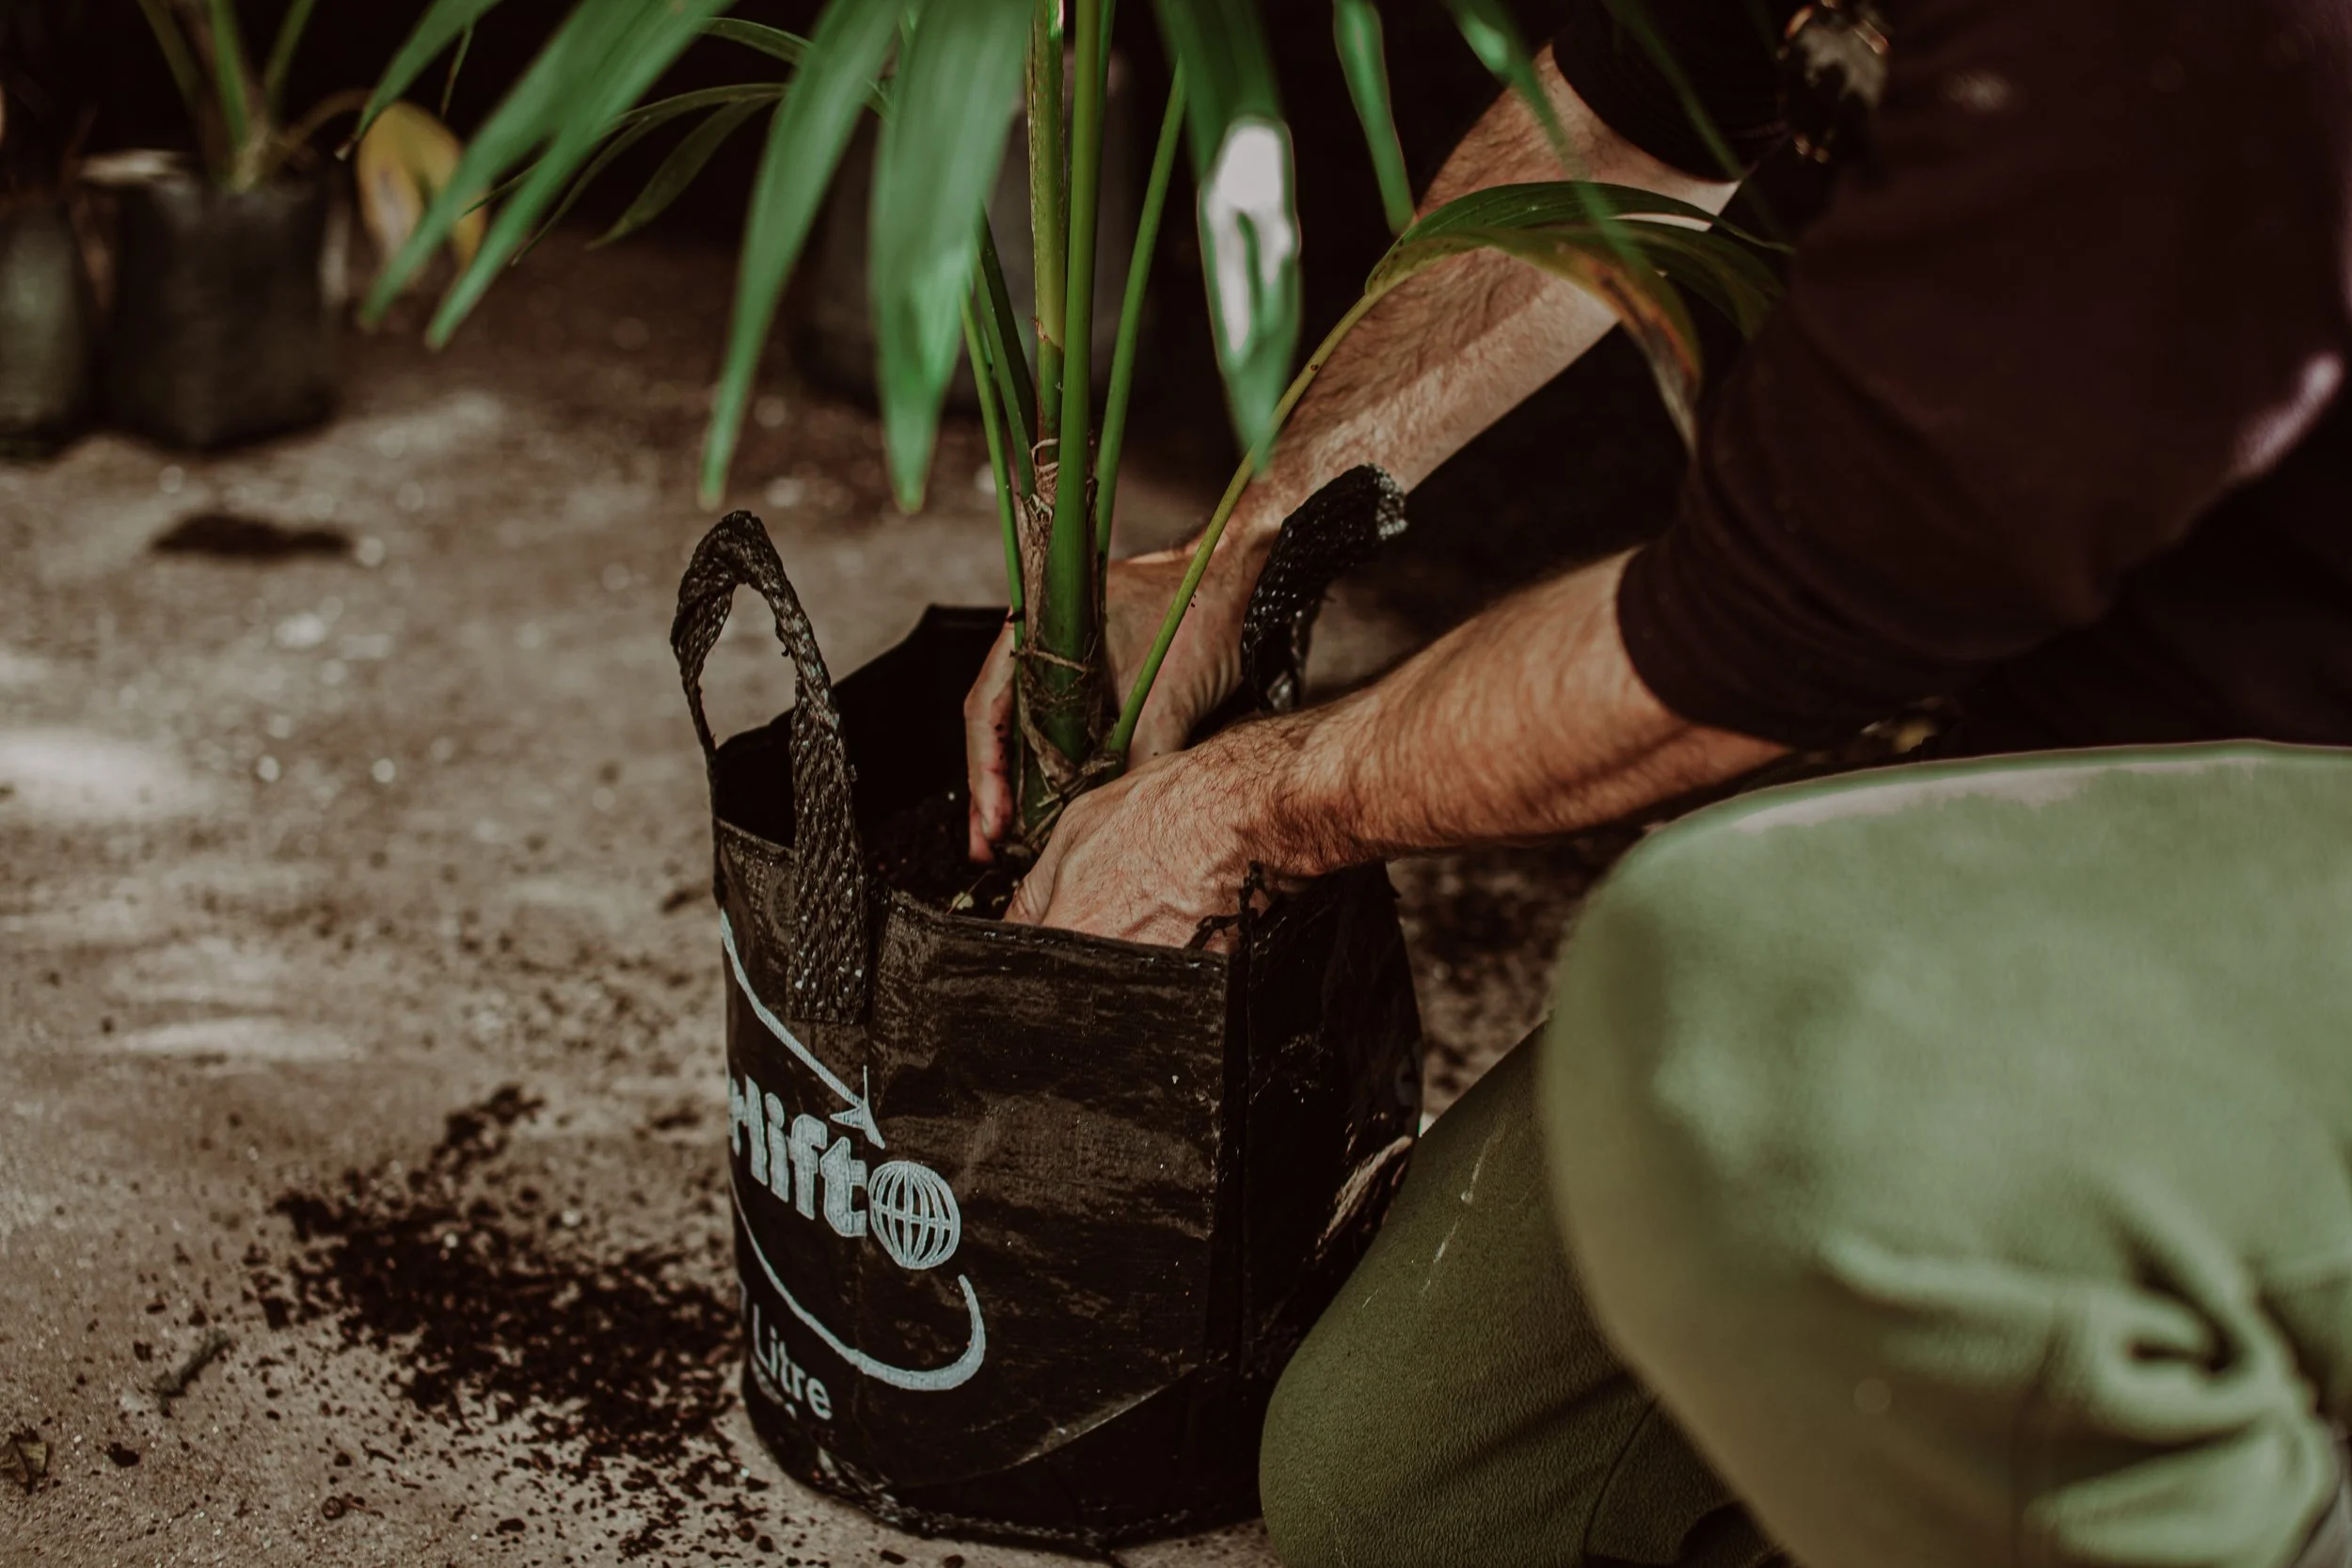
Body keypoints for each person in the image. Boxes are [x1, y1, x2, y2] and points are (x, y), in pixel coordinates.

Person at [963, 2, 2352, 1563]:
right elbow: (1622, 122)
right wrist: (1248, 536)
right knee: (1419, 1485)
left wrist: (1237, 808)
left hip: (2308, 808)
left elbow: (1765, 632)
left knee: (1701, 958)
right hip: (2065, 728)